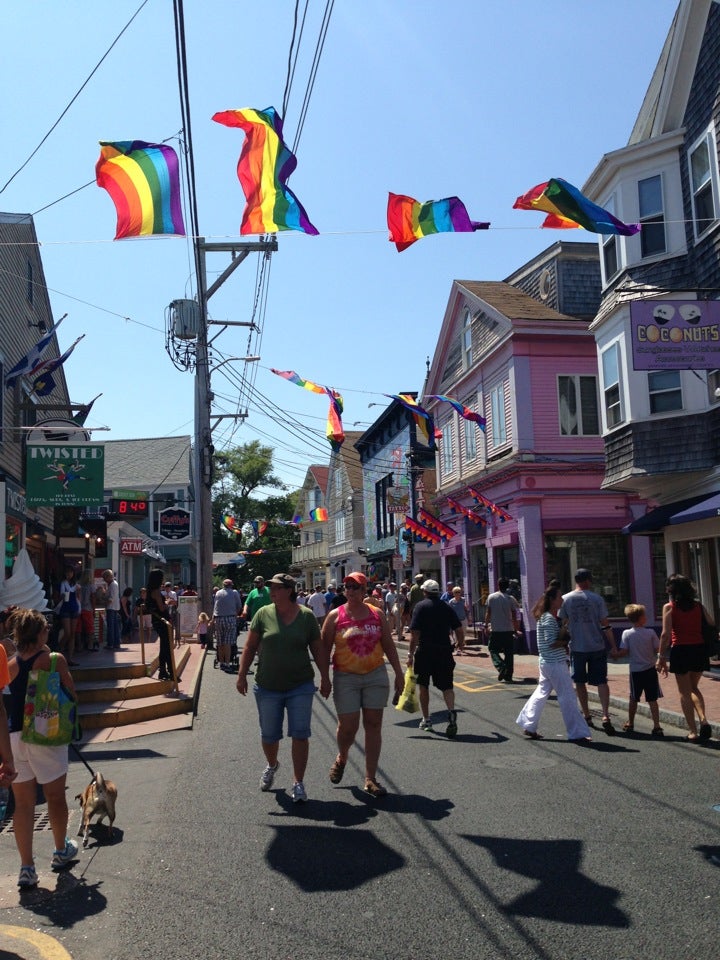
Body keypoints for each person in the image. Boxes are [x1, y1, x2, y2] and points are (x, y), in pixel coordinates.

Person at [236, 572, 330, 803]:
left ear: (289, 590)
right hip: (268, 685)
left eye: (277, 588)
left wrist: (325, 677)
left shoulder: (306, 616)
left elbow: (318, 649)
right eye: (271, 588)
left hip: (300, 685)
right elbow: (249, 647)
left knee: (300, 734)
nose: (272, 591)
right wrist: (241, 675)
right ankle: (272, 764)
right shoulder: (262, 614)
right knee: (269, 735)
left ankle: (298, 782)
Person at [6, 608, 78, 888]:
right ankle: (60, 851)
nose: (50, 630)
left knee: (22, 804)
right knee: (55, 796)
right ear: (40, 633)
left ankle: (27, 868)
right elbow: (70, 692)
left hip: (14, 737)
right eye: (46, 628)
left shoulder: (11, 664)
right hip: (45, 733)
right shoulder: (53, 659)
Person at [321, 572, 404, 797]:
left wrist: (399, 673)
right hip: (345, 677)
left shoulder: (376, 614)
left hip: (375, 675)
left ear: (364, 589)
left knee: (373, 725)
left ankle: (370, 778)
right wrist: (324, 678)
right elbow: (324, 649)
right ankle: (342, 757)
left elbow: (388, 644)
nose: (350, 590)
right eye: (347, 586)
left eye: (355, 587)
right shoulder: (334, 616)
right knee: (348, 727)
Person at [516, 586, 592, 742]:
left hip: (546, 662)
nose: (562, 600)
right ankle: (577, 732)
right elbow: (551, 642)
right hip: (555, 662)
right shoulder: (549, 619)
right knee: (568, 697)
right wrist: (566, 638)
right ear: (552, 600)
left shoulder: (544, 617)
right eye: (559, 597)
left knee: (540, 694)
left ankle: (529, 724)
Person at [558, 568, 619, 735]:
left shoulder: (566, 599)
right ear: (588, 580)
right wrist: (613, 646)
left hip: (577, 646)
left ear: (576, 580)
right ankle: (606, 714)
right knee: (601, 681)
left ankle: (586, 715)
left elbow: (563, 623)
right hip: (597, 645)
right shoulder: (597, 599)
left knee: (579, 682)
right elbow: (605, 624)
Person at [658, 574, 713, 742]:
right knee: (694, 688)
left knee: (684, 692)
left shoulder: (670, 607)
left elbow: (665, 634)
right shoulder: (698, 606)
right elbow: (711, 623)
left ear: (671, 591)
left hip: (681, 650)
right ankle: (703, 720)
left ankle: (693, 731)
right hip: (699, 649)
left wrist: (661, 656)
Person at [408, 579, 465, 737]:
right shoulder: (446, 607)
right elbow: (458, 628)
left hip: (425, 652)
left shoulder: (420, 607)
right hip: (444, 651)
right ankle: (451, 711)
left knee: (423, 686)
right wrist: (461, 643)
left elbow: (415, 635)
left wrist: (410, 654)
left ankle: (426, 720)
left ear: (425, 592)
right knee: (447, 686)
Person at [612, 603, 664, 736]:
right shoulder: (650, 632)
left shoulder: (627, 633)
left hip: (635, 671)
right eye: (644, 615)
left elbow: (624, 651)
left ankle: (630, 722)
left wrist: (616, 655)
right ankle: (657, 726)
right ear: (641, 618)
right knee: (652, 699)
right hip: (650, 670)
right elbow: (658, 648)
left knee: (634, 698)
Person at [485, 577, 520, 682]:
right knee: (509, 653)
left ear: (498, 585)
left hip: (496, 630)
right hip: (508, 629)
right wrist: (516, 629)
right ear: (507, 587)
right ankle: (508, 674)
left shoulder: (491, 597)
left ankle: (501, 666)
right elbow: (515, 615)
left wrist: (486, 625)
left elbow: (488, 612)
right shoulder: (511, 599)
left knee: (492, 649)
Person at [145, 569, 174, 681]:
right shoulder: (156, 591)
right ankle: (168, 671)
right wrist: (168, 603)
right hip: (162, 621)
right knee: (166, 647)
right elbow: (161, 608)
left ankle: (163, 670)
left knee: (164, 646)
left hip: (157, 621)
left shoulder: (149, 590)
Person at [212, 579, 242, 669]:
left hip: (218, 618)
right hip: (230, 618)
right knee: (227, 642)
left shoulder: (218, 593)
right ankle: (227, 663)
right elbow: (239, 606)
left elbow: (215, 606)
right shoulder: (234, 593)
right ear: (231, 585)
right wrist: (235, 614)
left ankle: (221, 662)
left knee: (220, 642)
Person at [58, 565, 80, 666]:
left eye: (70, 572)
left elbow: (78, 597)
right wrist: (64, 595)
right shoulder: (63, 583)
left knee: (72, 634)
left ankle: (70, 658)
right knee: (67, 632)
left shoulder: (76, 584)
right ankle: (60, 649)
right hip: (66, 608)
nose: (68, 574)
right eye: (67, 572)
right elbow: (62, 595)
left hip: (74, 608)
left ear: (73, 573)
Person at [77, 570, 96, 652]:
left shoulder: (78, 585)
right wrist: (94, 609)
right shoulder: (91, 586)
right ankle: (90, 645)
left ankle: (79, 646)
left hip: (78, 608)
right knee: (90, 628)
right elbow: (93, 598)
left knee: (78, 629)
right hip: (88, 608)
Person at [102, 569, 121, 651]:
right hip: (114, 608)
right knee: (115, 627)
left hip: (111, 608)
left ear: (108, 577)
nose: (104, 580)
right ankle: (116, 643)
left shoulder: (113, 585)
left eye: (105, 578)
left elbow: (111, 599)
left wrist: (104, 603)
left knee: (111, 627)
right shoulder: (112, 584)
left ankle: (111, 644)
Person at [448, 586, 469, 651]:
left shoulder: (464, 600)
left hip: (463, 619)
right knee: (456, 635)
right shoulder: (451, 601)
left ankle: (460, 645)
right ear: (453, 593)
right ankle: (459, 646)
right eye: (456, 592)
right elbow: (449, 611)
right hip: (455, 620)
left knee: (463, 633)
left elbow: (467, 609)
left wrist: (469, 617)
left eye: (459, 592)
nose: (457, 593)